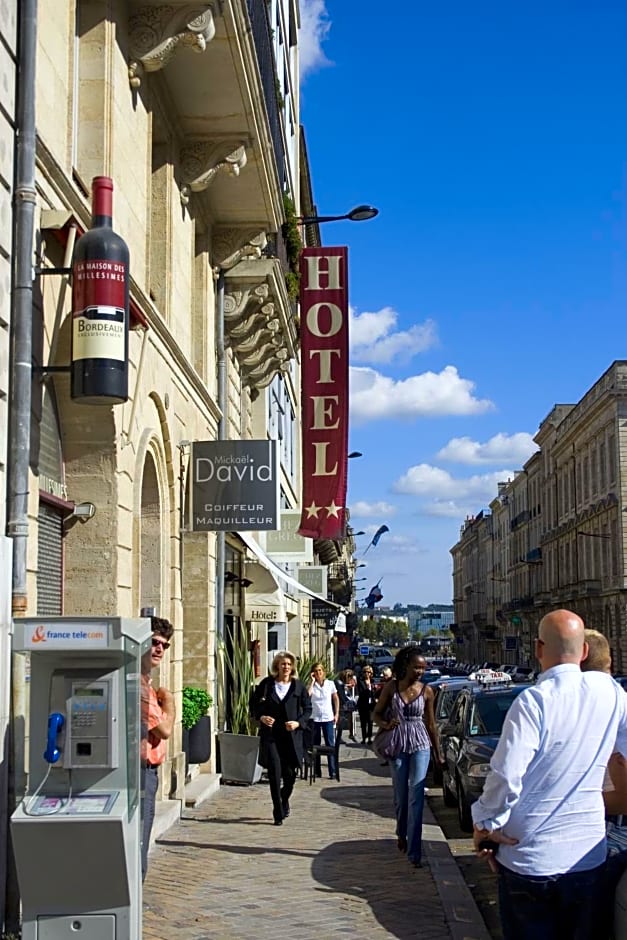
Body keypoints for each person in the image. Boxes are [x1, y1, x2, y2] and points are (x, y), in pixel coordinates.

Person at [472, 609, 627, 940]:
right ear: (583, 652)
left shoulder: (533, 702)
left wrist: (485, 823)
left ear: (538, 649)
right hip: (587, 856)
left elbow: (506, 776)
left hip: (531, 857)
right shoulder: (612, 695)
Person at [373, 648, 444, 868]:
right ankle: (401, 832)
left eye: (423, 668)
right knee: (401, 796)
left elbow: (431, 724)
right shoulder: (391, 688)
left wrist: (438, 753)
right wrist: (385, 724)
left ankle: (415, 851)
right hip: (397, 743)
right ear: (406, 666)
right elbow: (375, 713)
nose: (420, 671)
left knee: (417, 795)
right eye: (417, 667)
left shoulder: (427, 691)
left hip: (420, 742)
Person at [251, 651, 312, 825]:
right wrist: (262, 717)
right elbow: (254, 705)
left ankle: (284, 799)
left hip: (291, 737)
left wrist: (298, 723)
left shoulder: (298, 687)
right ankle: (277, 811)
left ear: (292, 667)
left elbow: (308, 710)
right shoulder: (267, 684)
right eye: (282, 664)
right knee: (275, 773)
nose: (285, 667)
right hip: (271, 736)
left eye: (288, 664)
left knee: (290, 775)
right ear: (277, 666)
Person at [140, 616, 175, 881]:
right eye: (154, 642)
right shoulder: (140, 687)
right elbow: (164, 730)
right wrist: (170, 704)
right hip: (141, 773)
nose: (160, 649)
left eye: (165, 645)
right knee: (140, 841)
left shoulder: (148, 686)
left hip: (149, 771)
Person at [307, 663, 340, 779]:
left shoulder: (330, 684)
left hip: (327, 717)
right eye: (315, 671)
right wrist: (312, 681)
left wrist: (336, 713)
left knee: (330, 744)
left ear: (323, 672)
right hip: (315, 718)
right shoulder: (312, 685)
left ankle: (333, 771)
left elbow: (335, 698)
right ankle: (317, 771)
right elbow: (307, 695)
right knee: (315, 745)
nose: (318, 673)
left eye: (320, 670)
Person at [356, 665, 377, 744]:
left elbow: (374, 693)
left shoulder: (373, 681)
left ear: (371, 673)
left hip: (371, 705)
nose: (366, 674)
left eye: (368, 672)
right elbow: (361, 693)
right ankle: (364, 738)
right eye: (364, 672)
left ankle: (370, 738)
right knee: (363, 722)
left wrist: (372, 689)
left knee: (370, 722)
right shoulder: (360, 681)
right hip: (363, 704)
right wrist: (368, 688)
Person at [336, 668, 358, 741]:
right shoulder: (339, 683)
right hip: (341, 705)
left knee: (350, 718)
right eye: (349, 677)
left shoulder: (343, 684)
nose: (350, 679)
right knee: (340, 722)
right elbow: (341, 695)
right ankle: (339, 737)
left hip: (345, 705)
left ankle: (351, 734)